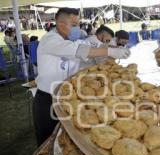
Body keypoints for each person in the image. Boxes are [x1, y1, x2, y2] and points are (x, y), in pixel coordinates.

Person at [33, 7, 130, 146]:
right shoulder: (50, 40)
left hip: (67, 97)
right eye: (74, 25)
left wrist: (113, 50)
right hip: (47, 99)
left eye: (78, 25)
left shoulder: (73, 41)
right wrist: (109, 50)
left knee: (66, 140)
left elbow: (89, 50)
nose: (78, 29)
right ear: (60, 24)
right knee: (47, 142)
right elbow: (80, 51)